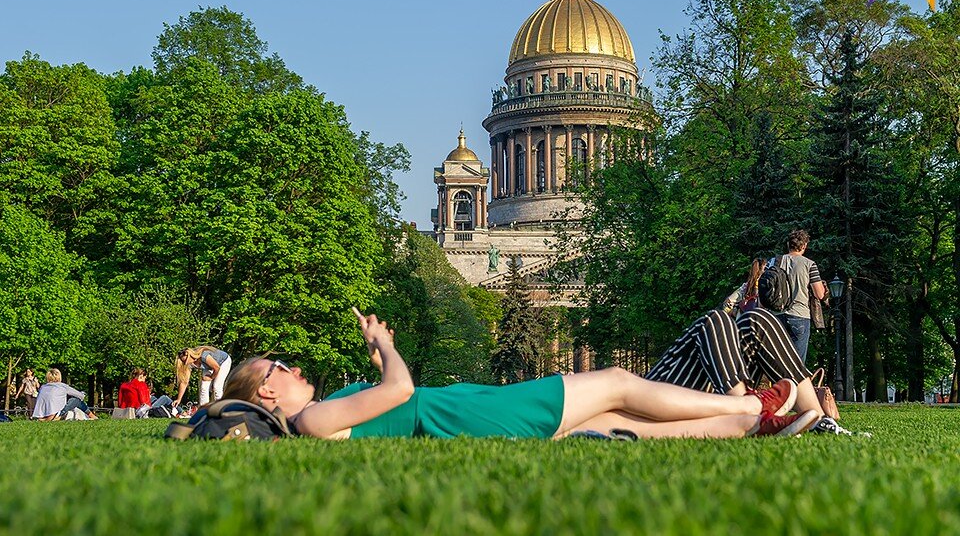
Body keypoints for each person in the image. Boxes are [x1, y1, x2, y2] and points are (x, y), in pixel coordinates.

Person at [221, 308, 820, 441]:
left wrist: (379, 361)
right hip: (474, 415)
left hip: (466, 418)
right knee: (612, 380)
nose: (295, 367)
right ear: (267, 392)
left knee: (617, 420)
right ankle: (743, 405)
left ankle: (750, 428)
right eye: (280, 367)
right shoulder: (308, 418)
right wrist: (383, 345)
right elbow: (402, 392)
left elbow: (388, 399)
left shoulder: (316, 418)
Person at [645, 306, 851, 435]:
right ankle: (751, 416)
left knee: (756, 320)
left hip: (697, 399)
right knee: (715, 320)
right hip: (653, 400)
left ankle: (819, 422)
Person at [770, 230, 827, 362]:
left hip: (776, 315)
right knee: (797, 364)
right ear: (804, 246)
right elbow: (819, 294)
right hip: (800, 315)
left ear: (788, 244)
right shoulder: (809, 264)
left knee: (778, 362)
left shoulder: (774, 261)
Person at [32, 369, 97, 421]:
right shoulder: (62, 386)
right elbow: (80, 396)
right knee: (76, 400)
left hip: (40, 413)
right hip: (56, 413)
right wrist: (83, 394)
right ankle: (92, 416)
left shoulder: (43, 387)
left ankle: (45, 418)